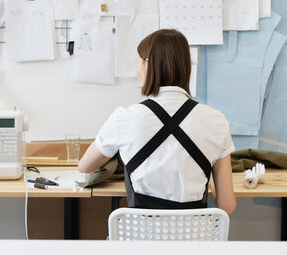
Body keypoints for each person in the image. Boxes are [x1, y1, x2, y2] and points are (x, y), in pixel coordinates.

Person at [78, 29, 236, 214]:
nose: (136, 71)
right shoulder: (216, 121)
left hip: (140, 239)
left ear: (147, 65)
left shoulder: (124, 118)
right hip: (194, 241)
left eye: (137, 64)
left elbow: (85, 167)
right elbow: (227, 206)